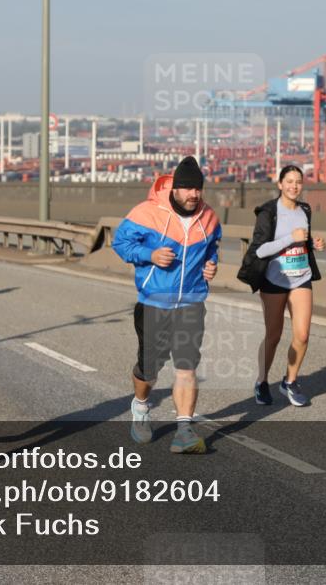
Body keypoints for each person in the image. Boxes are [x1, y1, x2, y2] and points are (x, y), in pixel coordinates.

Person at [113, 156, 221, 454]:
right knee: (150, 369)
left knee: (186, 367)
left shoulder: (209, 216)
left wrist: (212, 264)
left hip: (192, 302)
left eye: (198, 189)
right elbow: (120, 243)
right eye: (187, 188)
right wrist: (150, 255)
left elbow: (213, 248)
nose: (193, 195)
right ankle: (141, 405)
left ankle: (184, 431)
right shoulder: (147, 212)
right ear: (174, 188)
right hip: (153, 302)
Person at [237, 165, 324, 407]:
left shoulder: (304, 210)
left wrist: (312, 244)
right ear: (280, 184)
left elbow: (302, 240)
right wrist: (289, 239)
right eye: (289, 182)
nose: (294, 186)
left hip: (301, 276)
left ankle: (290, 381)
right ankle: (262, 381)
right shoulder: (268, 212)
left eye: (298, 182)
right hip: (275, 279)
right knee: (273, 335)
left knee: (303, 334)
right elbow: (260, 250)